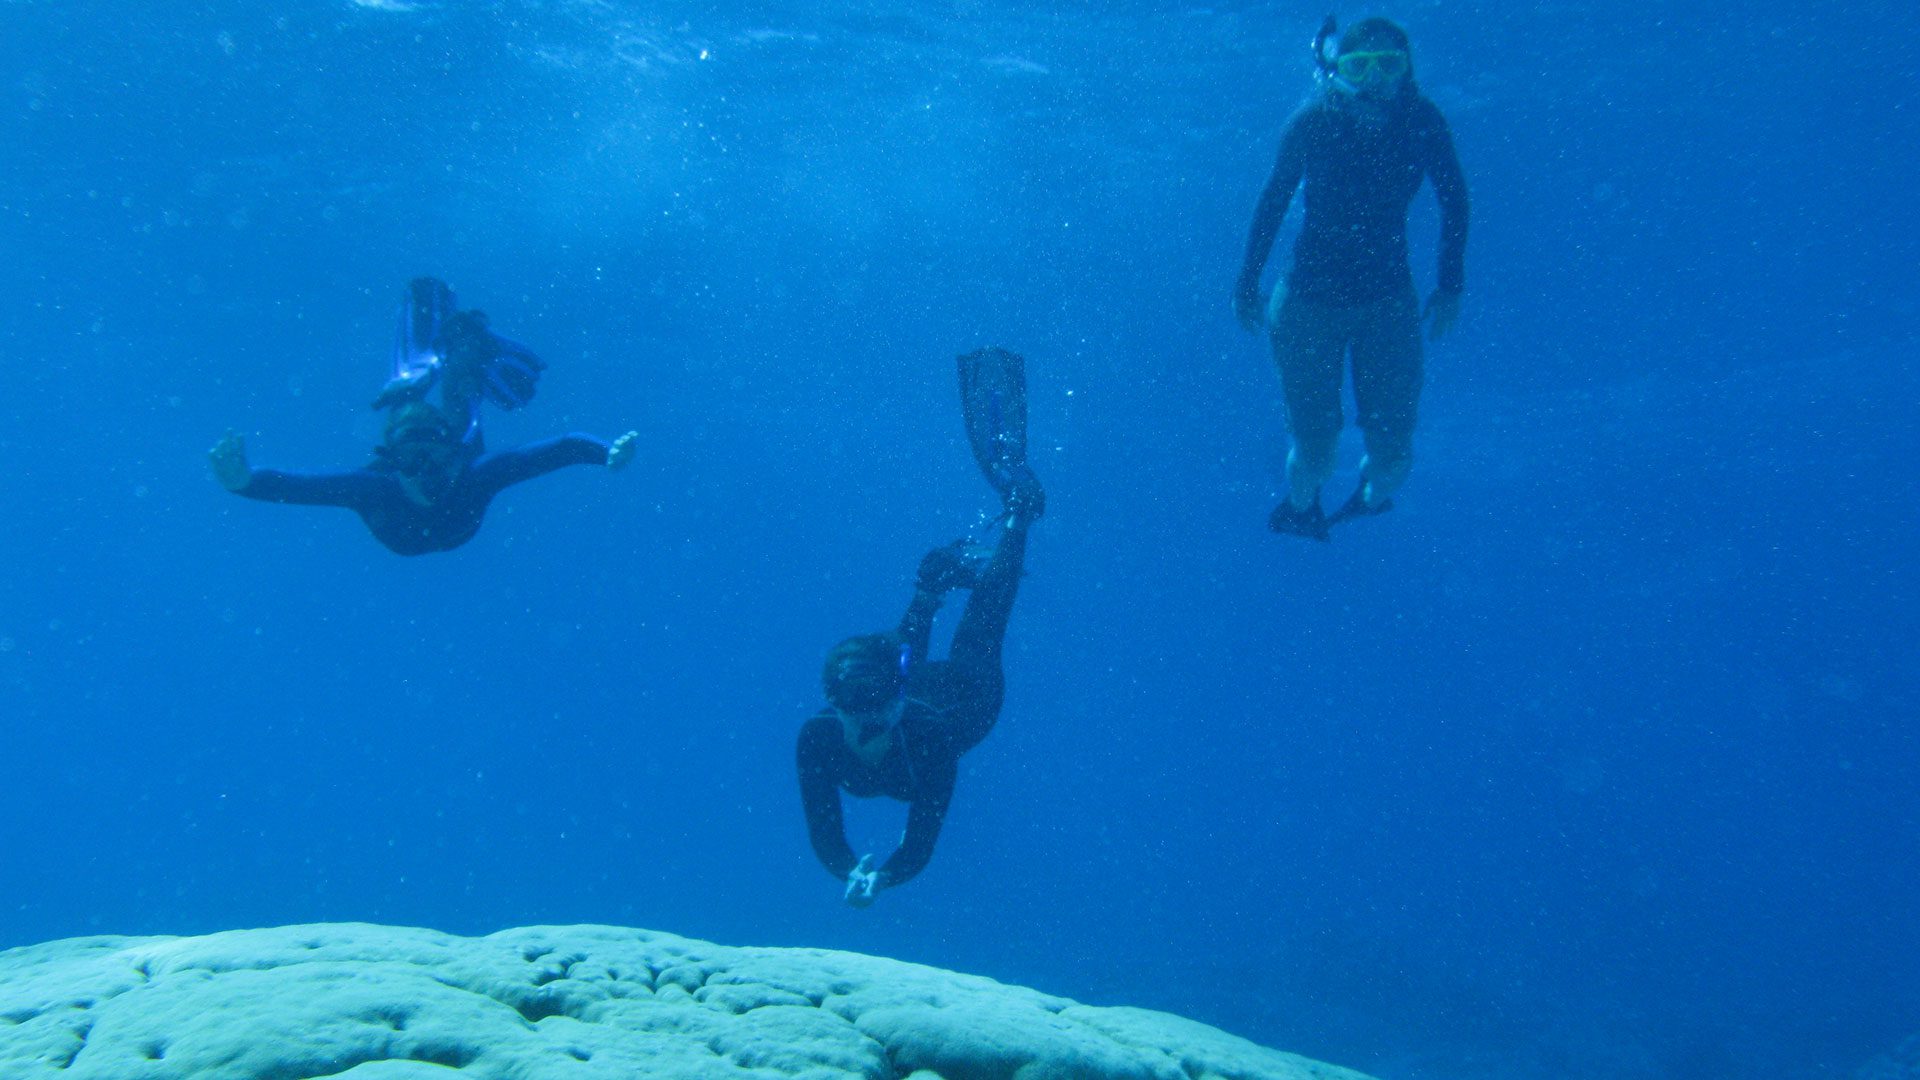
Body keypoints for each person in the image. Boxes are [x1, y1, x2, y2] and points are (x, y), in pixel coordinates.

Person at [796, 346, 1044, 907]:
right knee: (933, 643)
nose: (867, 722)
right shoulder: (818, 738)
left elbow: (920, 840)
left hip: (964, 703)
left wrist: (885, 874)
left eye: (877, 704)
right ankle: (990, 540)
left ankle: (1000, 531)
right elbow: (827, 832)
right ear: (830, 702)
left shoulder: (928, 741)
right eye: (855, 706)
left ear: (895, 698)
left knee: (980, 627)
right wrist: (861, 874)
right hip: (939, 693)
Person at [1234, 15, 1469, 540]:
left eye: (1389, 65)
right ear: (1337, 69)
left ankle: (1368, 501)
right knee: (1316, 455)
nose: (1375, 80)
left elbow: (1453, 197)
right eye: (1360, 66)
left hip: (1388, 305)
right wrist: (1247, 284)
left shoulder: (1423, 121)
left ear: (1407, 70)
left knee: (1393, 459)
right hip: (1306, 307)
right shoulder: (1312, 121)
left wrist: (1450, 284)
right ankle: (1301, 509)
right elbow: (1273, 200)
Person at [208, 404, 637, 556]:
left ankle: (461, 375)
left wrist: (605, 454)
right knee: (463, 424)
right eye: (412, 461)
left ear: (451, 457)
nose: (426, 473)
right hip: (444, 521)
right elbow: (297, 487)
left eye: (433, 458)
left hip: (455, 478)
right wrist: (241, 482)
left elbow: (562, 448)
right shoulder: (371, 489)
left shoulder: (475, 476)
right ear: (392, 465)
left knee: (472, 431)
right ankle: (457, 376)